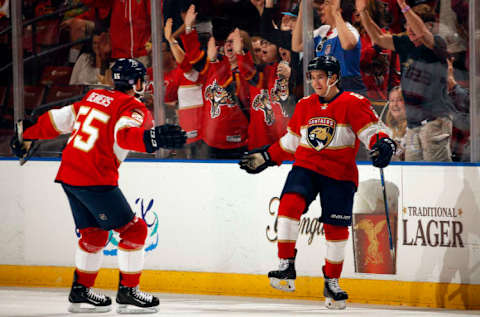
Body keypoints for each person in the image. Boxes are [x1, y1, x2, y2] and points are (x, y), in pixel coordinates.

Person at [9, 58, 186, 314]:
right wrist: (152, 138)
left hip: (69, 173)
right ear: (136, 83)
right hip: (95, 177)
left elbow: (59, 120)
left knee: (94, 235)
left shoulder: (93, 96)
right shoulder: (133, 106)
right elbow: (124, 136)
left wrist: (28, 133)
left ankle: (80, 290)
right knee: (134, 231)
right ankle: (128, 292)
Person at [238, 55, 395, 310]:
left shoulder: (353, 103)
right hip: (307, 167)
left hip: (340, 174)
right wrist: (267, 156)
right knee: (289, 205)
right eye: (312, 77)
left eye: (321, 76)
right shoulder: (304, 105)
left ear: (334, 78)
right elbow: (291, 143)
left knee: (336, 230)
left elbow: (371, 130)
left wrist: (382, 144)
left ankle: (331, 283)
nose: (316, 82)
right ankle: (286, 267)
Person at [357, 0, 455, 161]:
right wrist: (363, 14)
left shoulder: (437, 44)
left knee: (435, 172)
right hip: (413, 123)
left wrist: (403, 5)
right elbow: (379, 38)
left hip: (435, 121)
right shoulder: (405, 43)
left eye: (412, 24)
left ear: (428, 26)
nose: (408, 29)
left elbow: (422, 34)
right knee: (412, 171)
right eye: (406, 24)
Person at [292, 0, 367, 95]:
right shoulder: (322, 31)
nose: (322, 7)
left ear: (338, 9)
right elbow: (296, 45)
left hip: (350, 90)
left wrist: (336, 13)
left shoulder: (350, 29)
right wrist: (302, 12)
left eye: (327, 3)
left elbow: (347, 44)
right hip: (327, 89)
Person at [383, 86, 407, 160]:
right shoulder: (385, 130)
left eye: (399, 100)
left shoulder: (415, 129)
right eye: (392, 100)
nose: (395, 104)